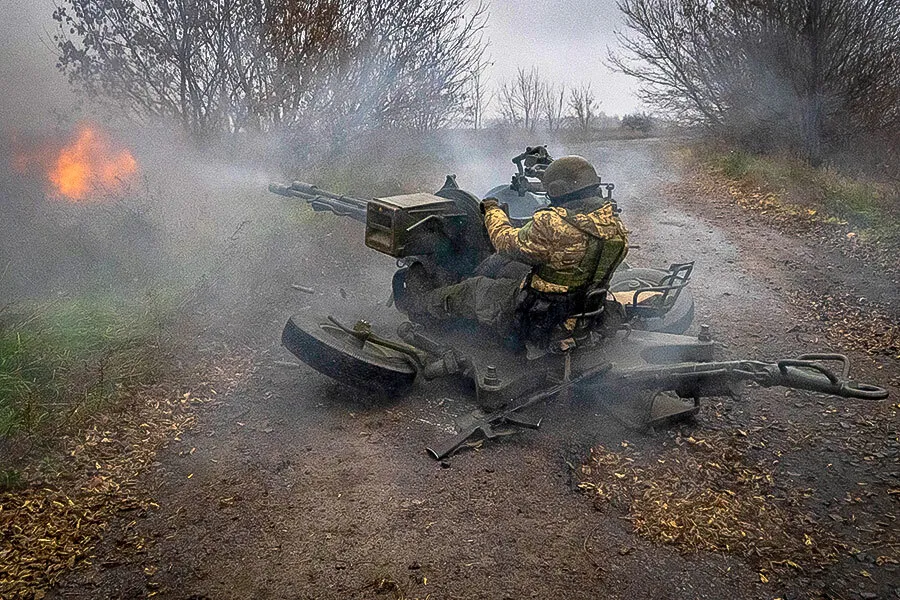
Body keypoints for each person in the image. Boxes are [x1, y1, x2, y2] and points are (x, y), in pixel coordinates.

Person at [418, 155, 629, 350]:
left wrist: (492, 211)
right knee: (509, 269)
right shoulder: (616, 227)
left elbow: (504, 241)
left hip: (541, 318)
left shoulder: (551, 224)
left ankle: (423, 306)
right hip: (583, 311)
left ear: (558, 191)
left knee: (473, 289)